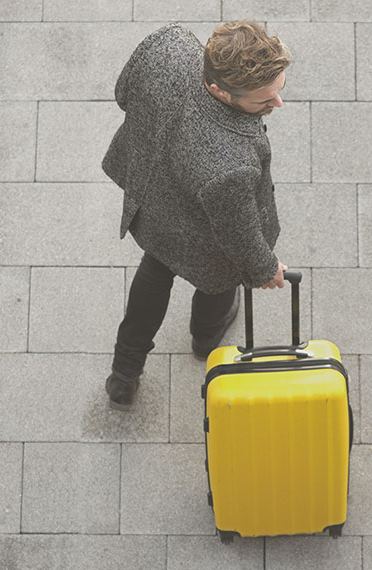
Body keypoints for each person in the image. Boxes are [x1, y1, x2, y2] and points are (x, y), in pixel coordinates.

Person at [101, 21, 291, 411]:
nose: (277, 105)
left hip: (154, 202)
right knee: (218, 282)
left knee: (154, 275)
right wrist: (264, 269)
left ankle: (124, 374)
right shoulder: (230, 163)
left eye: (278, 91)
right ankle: (205, 339)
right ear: (219, 89)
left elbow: (124, 95)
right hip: (204, 237)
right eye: (263, 101)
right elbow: (238, 235)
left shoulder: (167, 46)